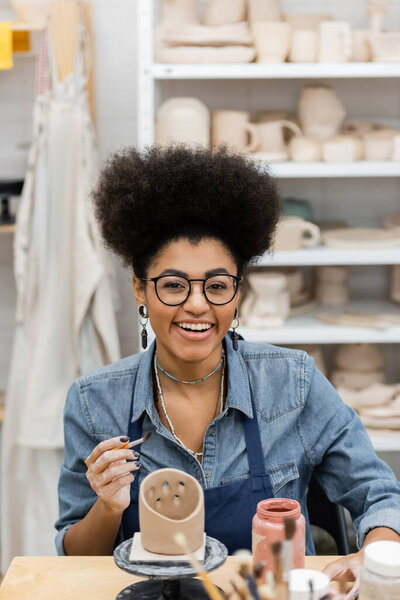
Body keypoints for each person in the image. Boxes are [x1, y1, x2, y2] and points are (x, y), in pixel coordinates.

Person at [56, 145, 400, 595]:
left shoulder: (292, 382)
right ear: (140, 288)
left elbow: (378, 492)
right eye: (174, 285)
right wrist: (106, 506)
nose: (197, 305)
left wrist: (375, 554)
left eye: (217, 285)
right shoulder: (94, 402)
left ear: (237, 293)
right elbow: (73, 557)